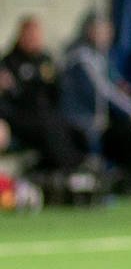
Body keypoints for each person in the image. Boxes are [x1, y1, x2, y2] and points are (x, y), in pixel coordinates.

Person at [60, 13, 131, 189]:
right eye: (103, 30)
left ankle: (126, 181)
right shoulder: (81, 57)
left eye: (109, 30)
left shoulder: (103, 56)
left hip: (104, 122)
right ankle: (122, 183)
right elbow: (102, 91)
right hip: (83, 123)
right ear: (91, 31)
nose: (108, 34)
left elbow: (117, 85)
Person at [1, 16, 85, 180]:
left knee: (74, 130)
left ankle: (75, 168)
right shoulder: (8, 62)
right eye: (30, 34)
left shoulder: (46, 60)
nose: (34, 39)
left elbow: (57, 91)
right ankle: (71, 172)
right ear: (21, 35)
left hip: (48, 116)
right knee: (48, 128)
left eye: (36, 35)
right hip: (20, 119)